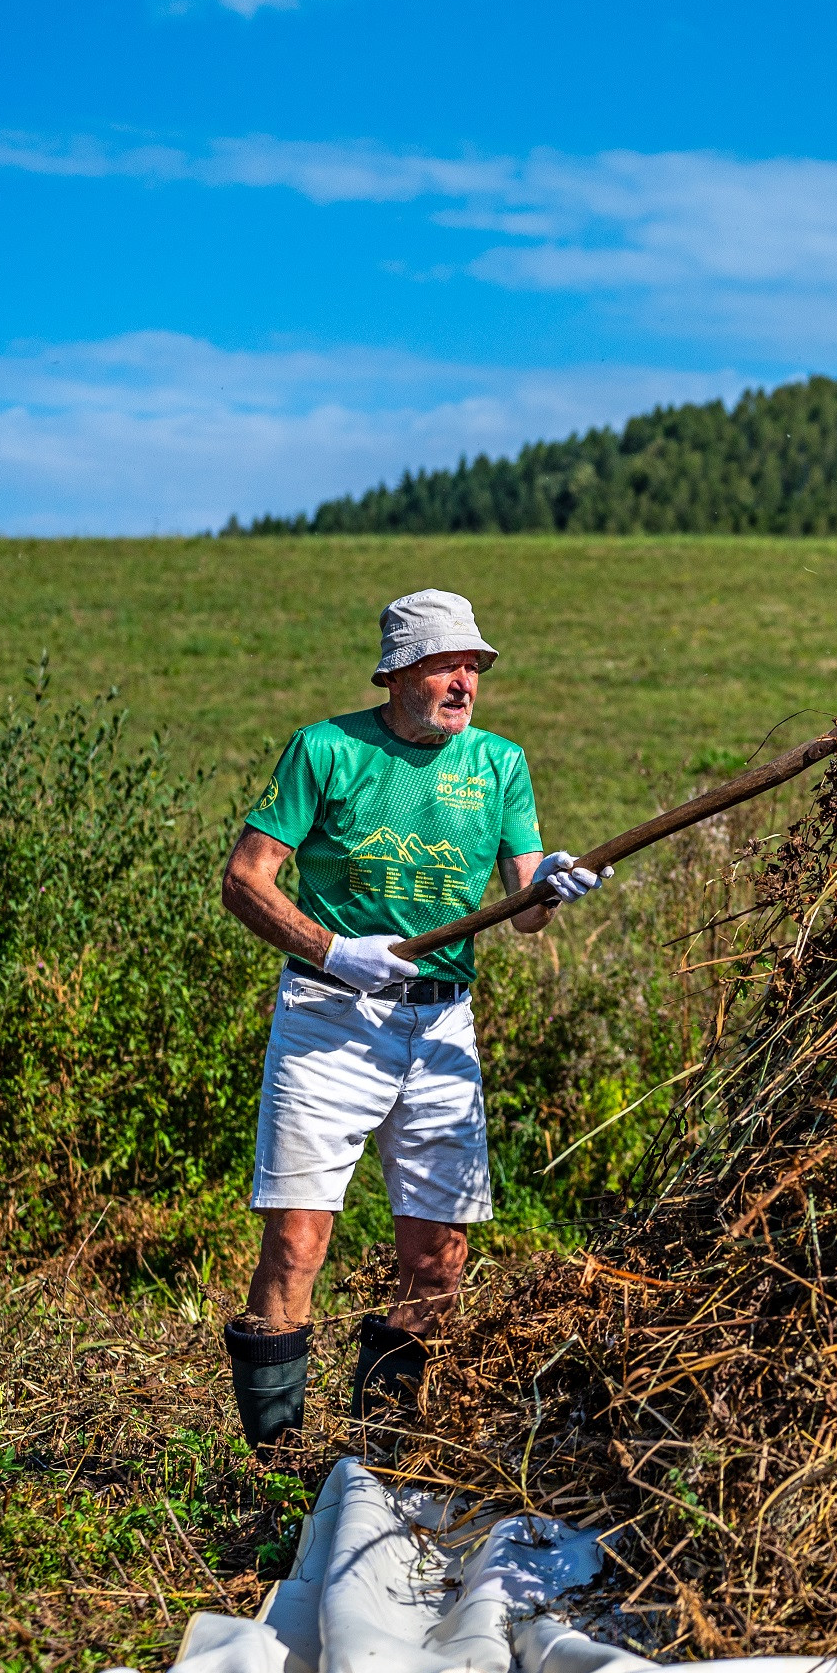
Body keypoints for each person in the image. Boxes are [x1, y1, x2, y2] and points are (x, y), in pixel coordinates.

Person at [216, 589, 603, 1455]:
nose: (466, 682)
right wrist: (335, 952)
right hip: (329, 1021)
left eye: (475, 666)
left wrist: (553, 887)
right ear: (398, 673)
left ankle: (384, 1454)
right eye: (447, 665)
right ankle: (276, 1464)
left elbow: (527, 907)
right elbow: (246, 879)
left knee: (439, 1259)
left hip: (441, 1032)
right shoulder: (326, 750)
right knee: (297, 1242)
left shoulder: (500, 765)